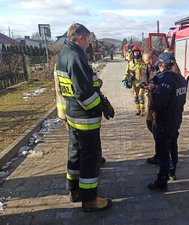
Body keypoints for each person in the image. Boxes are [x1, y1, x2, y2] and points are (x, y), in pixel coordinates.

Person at [55, 23, 112, 212]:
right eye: (88, 40)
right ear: (81, 37)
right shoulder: (76, 56)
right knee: (90, 158)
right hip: (85, 119)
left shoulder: (64, 54)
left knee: (75, 154)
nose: (89, 44)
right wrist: (101, 106)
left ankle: (74, 191)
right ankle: (90, 199)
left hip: (73, 115)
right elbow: (84, 95)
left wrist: (96, 83)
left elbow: (82, 82)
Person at [147, 52, 187, 191]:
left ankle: (162, 181)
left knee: (163, 151)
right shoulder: (181, 79)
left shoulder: (165, 81)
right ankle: (172, 171)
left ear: (162, 65)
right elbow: (182, 100)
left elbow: (158, 104)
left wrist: (152, 94)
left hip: (164, 121)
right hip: (176, 119)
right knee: (173, 146)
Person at [142, 48, 160, 164]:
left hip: (160, 103)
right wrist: (144, 83)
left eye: (148, 61)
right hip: (151, 101)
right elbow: (145, 78)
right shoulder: (149, 67)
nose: (147, 64)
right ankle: (160, 149)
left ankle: (160, 154)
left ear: (154, 58)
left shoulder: (162, 68)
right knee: (150, 125)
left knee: (157, 129)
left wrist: (154, 86)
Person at [123, 45, 147, 116]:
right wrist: (124, 79)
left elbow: (147, 71)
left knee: (141, 96)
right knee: (135, 97)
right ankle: (138, 110)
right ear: (133, 53)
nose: (136, 53)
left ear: (139, 53)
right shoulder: (131, 63)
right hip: (134, 83)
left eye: (137, 52)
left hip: (142, 83)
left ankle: (143, 111)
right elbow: (127, 72)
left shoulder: (143, 62)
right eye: (135, 52)